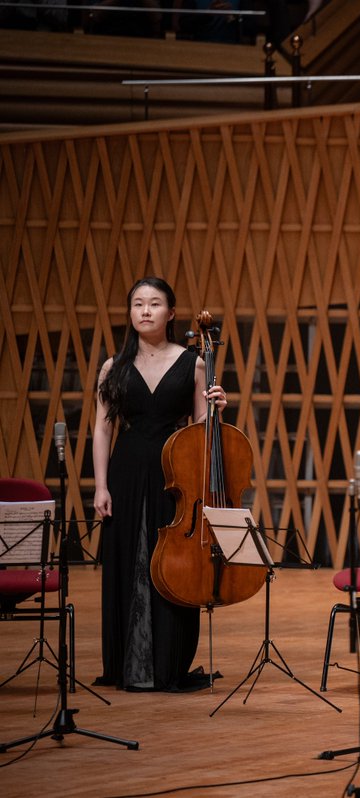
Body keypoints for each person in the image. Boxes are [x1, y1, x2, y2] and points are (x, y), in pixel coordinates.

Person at [92, 277, 227, 692]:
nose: (145, 311)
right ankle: (128, 666)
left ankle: (167, 665)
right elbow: (103, 429)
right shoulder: (113, 367)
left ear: (171, 313)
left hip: (175, 476)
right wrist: (101, 486)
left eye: (154, 303)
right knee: (127, 562)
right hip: (127, 471)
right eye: (138, 303)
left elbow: (201, 427)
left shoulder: (194, 363)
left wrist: (217, 410)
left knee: (170, 566)